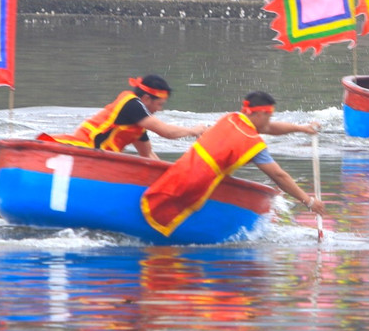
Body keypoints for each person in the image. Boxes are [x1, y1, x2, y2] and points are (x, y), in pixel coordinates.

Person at [140, 91, 327, 238]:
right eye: (269, 116)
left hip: (179, 171)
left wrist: (301, 128)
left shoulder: (230, 119)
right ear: (260, 114)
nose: (269, 122)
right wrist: (309, 201)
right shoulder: (252, 142)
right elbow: (279, 176)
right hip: (194, 185)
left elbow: (268, 127)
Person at [39, 75, 204, 159]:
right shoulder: (132, 103)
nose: (158, 110)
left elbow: (148, 156)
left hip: (97, 158)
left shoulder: (138, 125)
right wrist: (194, 130)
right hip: (79, 150)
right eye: (159, 105)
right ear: (146, 99)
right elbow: (166, 132)